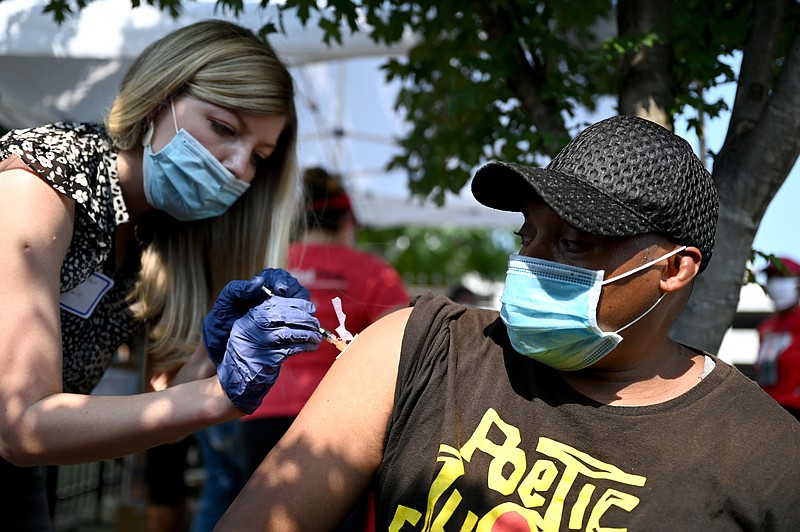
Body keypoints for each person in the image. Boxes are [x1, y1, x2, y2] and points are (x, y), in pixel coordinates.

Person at [217, 115, 800, 531]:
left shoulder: (768, 461)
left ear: (673, 269)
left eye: (573, 242)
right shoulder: (422, 348)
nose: (531, 262)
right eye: (529, 234)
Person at [0, 20, 323, 530]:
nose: (239, 168)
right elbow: (19, 426)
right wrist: (219, 396)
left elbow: (158, 417)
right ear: (158, 98)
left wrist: (211, 356)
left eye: (259, 156)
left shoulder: (156, 233)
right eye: (223, 127)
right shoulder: (40, 183)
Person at [755, 256, 800, 422]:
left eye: (781, 277)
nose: (775, 283)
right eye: (771, 278)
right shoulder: (766, 327)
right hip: (770, 413)